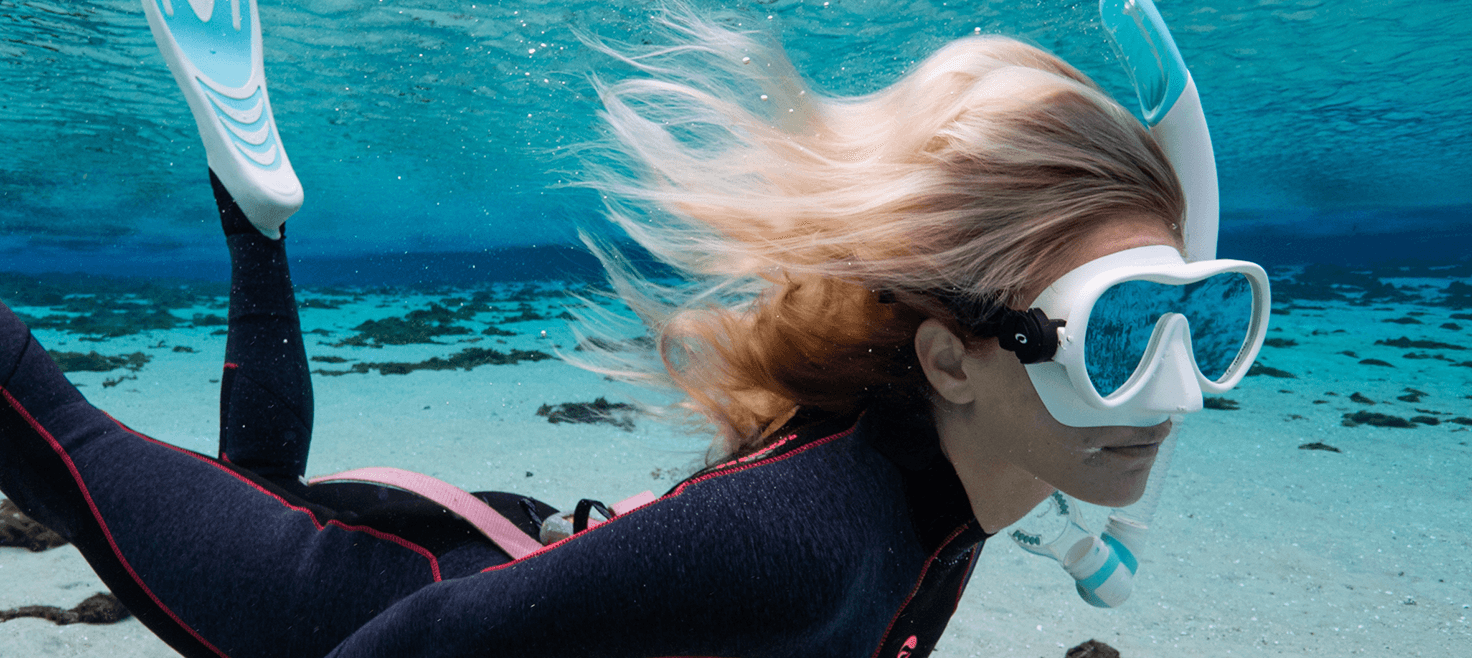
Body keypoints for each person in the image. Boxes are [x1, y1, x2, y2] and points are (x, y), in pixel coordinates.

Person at [0, 1, 1268, 656]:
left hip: (502, 562)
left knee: (254, 481)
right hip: (327, 613)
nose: (1176, 392)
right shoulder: (809, 541)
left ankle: (254, 219)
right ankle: (253, 218)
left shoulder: (962, 466)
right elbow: (425, 644)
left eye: (1206, 321)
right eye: (1118, 338)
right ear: (947, 355)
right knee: (43, 428)